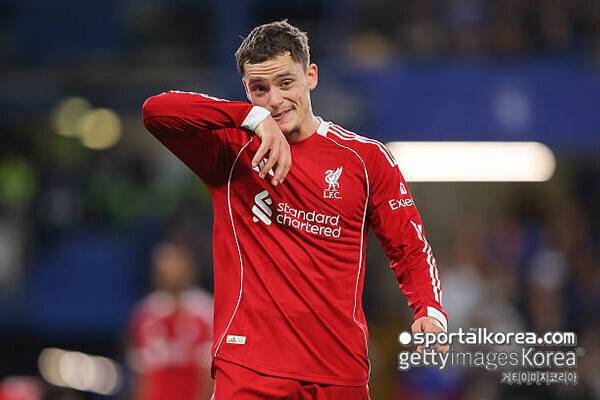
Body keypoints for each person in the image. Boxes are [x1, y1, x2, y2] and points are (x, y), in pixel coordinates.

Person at [142, 20, 447, 400]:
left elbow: (409, 247)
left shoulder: (366, 159)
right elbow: (157, 111)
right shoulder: (230, 151)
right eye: (260, 89)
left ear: (310, 76)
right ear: (246, 90)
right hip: (250, 369)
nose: (274, 100)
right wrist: (250, 118)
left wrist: (429, 309)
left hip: (339, 373)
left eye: (286, 83)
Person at [128, 242, 213, 400]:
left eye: (176, 261)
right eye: (164, 262)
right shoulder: (144, 313)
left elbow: (209, 374)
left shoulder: (206, 311)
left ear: (189, 267)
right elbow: (140, 376)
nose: (169, 269)